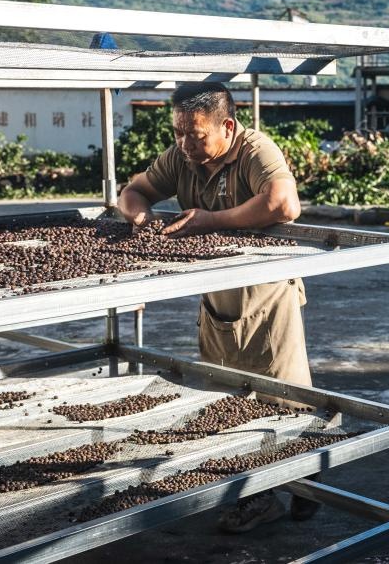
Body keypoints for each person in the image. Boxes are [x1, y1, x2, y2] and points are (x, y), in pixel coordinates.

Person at [118, 82, 320, 533]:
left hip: (267, 298)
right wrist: (141, 219)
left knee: (283, 398)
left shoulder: (254, 150)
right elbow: (133, 193)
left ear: (227, 127)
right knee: (226, 399)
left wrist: (211, 220)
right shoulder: (182, 157)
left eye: (195, 135)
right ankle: (258, 496)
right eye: (178, 133)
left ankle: (306, 478)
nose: (185, 144)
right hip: (217, 298)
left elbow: (284, 204)